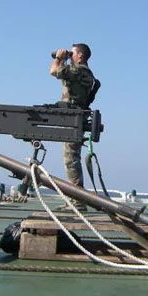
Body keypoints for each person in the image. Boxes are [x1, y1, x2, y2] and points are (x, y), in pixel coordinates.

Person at [49, 43, 97, 210]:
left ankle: (78, 201)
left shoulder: (81, 71)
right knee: (71, 158)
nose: (71, 55)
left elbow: (54, 71)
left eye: (73, 53)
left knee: (71, 160)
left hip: (74, 119)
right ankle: (77, 199)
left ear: (81, 56)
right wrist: (64, 59)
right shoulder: (80, 71)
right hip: (72, 117)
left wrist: (59, 58)